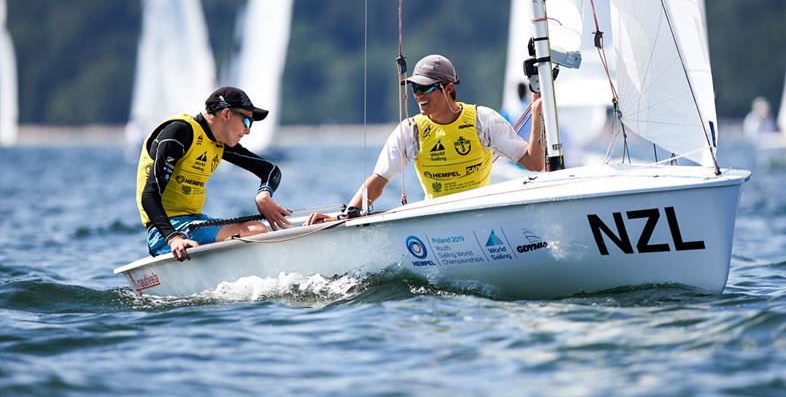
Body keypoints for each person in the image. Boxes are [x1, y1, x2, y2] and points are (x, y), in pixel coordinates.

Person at [306, 54, 545, 224]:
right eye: (415, 89)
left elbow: (534, 163)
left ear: (449, 89)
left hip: (477, 216)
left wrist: (537, 109)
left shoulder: (483, 120)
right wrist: (347, 215)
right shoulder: (411, 130)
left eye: (425, 88)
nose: (418, 95)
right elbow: (377, 182)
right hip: (436, 220)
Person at [136, 86, 292, 261]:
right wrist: (173, 238)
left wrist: (263, 195)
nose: (248, 130)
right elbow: (149, 195)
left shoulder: (219, 143)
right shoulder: (180, 132)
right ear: (226, 114)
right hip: (165, 232)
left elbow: (270, 170)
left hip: (194, 222)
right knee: (257, 230)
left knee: (259, 228)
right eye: (247, 122)